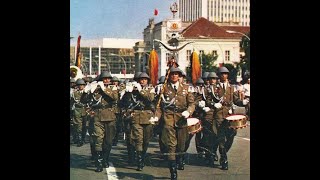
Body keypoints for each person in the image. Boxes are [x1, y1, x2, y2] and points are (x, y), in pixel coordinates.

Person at [153, 67, 195, 180]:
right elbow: (159, 106)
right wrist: (156, 117)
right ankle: (173, 171)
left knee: (181, 146)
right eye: (172, 74)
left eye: (176, 74)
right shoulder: (163, 89)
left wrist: (188, 111)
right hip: (169, 119)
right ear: (169, 75)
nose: (174, 76)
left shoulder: (186, 88)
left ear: (179, 76)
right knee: (171, 146)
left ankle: (179, 159)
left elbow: (192, 103)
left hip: (181, 119)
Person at [213, 67, 248, 170]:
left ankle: (223, 152)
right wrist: (214, 104)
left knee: (232, 135)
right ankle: (224, 159)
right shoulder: (214, 87)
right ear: (219, 76)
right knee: (221, 137)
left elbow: (236, 100)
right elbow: (210, 99)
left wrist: (242, 102)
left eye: (225, 74)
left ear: (227, 75)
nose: (224, 75)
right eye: (222, 74)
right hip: (219, 115)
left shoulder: (231, 88)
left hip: (229, 116)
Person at [89, 71, 119, 172]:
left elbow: (115, 98)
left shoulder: (113, 88)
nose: (106, 80)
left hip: (110, 117)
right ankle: (99, 163)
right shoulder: (96, 89)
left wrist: (103, 89)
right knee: (98, 139)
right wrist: (89, 90)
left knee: (108, 141)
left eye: (108, 78)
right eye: (104, 78)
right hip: (98, 116)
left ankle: (105, 159)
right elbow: (86, 100)